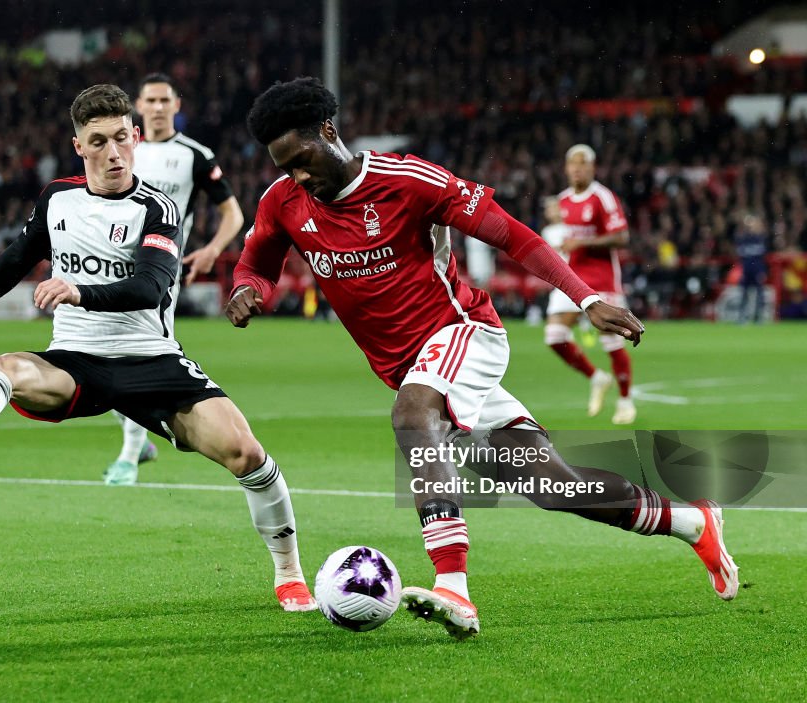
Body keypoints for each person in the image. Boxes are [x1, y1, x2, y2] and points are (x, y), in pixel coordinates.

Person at [226, 77, 738, 639]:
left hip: (463, 333)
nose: (297, 175)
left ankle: (454, 587)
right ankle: (693, 522)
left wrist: (585, 296)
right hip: (412, 365)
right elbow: (255, 264)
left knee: (411, 415)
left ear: (329, 131)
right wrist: (247, 288)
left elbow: (513, 236)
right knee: (554, 486)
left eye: (301, 159)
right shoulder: (283, 202)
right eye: (285, 166)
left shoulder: (408, 181)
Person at [0, 84, 315, 613]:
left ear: (135, 138)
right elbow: (19, 254)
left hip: (151, 360)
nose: (113, 152)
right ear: (78, 146)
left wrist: (78, 291)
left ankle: (289, 573)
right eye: (98, 141)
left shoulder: (158, 207)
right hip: (77, 361)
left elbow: (149, 289)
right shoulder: (57, 197)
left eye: (122, 138)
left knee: (248, 454)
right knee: (3, 367)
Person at [103, 73, 246, 486]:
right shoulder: (121, 148)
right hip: (111, 266)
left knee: (140, 355)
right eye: (151, 100)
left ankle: (130, 455)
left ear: (176, 106)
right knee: (95, 353)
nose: (159, 107)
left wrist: (214, 249)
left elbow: (233, 214)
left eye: (166, 100)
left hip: (160, 271)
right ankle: (140, 441)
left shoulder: (195, 155)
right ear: (139, 106)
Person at [546, 145, 636, 425]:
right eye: (572, 163)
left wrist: (582, 242)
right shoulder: (562, 200)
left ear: (593, 167)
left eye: (583, 163)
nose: (577, 168)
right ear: (565, 168)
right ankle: (597, 378)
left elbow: (621, 237)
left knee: (612, 340)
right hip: (572, 278)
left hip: (602, 277)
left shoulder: (603, 197)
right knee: (555, 337)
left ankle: (625, 401)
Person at [735, 212, 769, 324]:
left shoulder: (761, 238)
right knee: (744, 293)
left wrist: (762, 271)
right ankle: (742, 316)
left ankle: (759, 317)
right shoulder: (743, 239)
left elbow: (762, 257)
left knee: (759, 293)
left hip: (757, 270)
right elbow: (741, 256)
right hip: (746, 270)